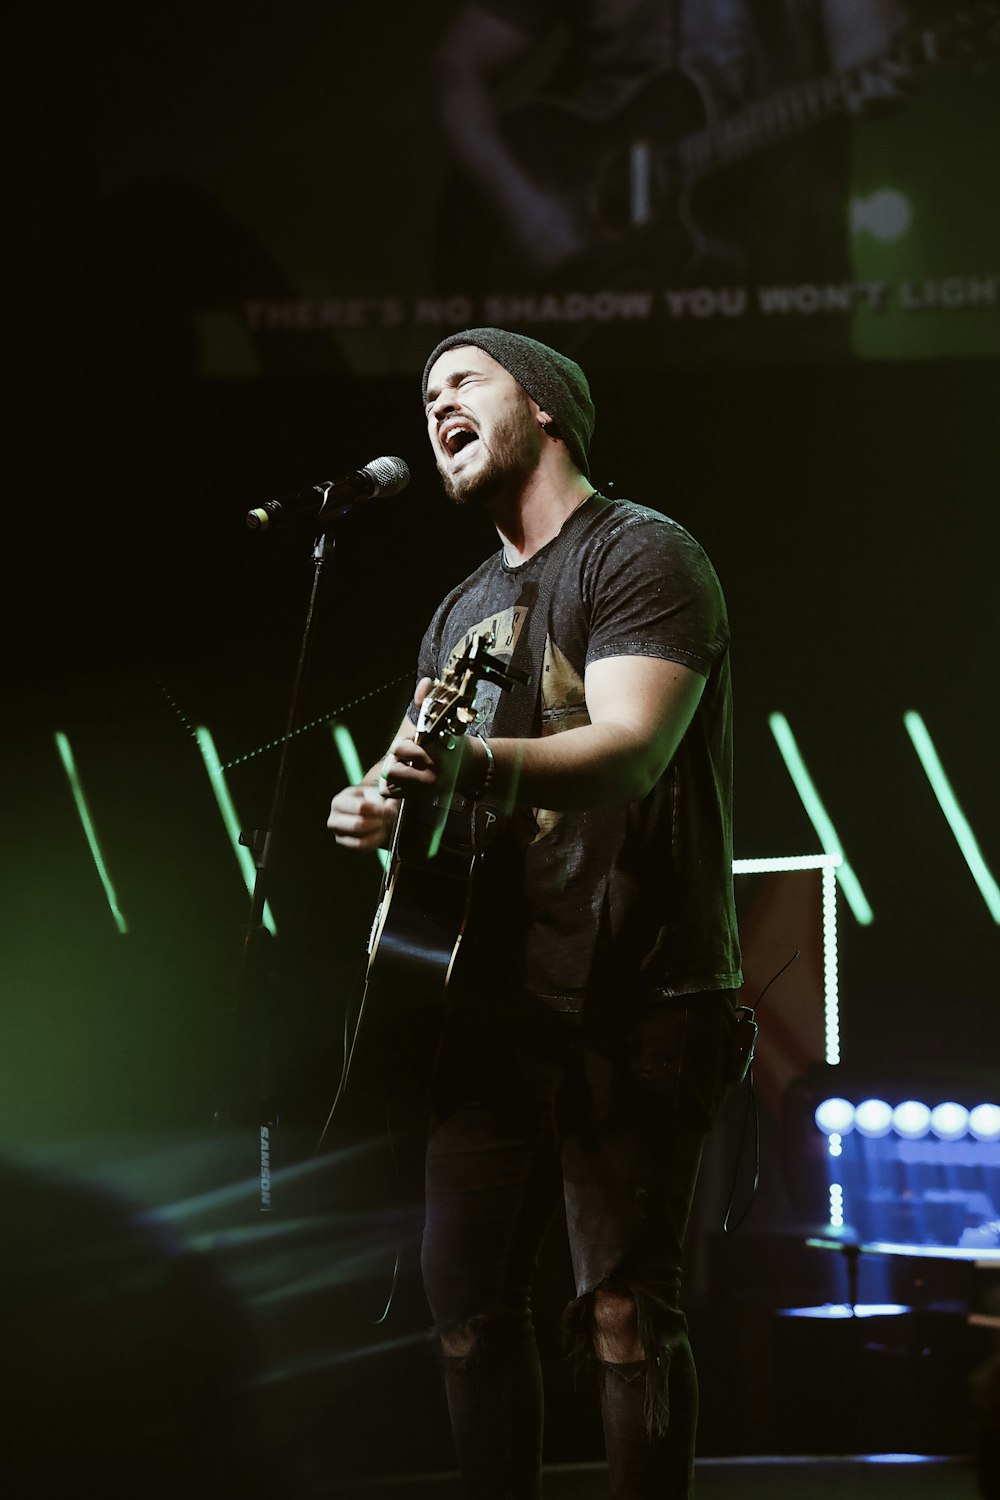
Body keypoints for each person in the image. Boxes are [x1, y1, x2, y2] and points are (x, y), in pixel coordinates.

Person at [327, 327, 743, 1498]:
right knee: (463, 1310)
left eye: (463, 381)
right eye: (424, 395)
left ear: (547, 407)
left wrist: (472, 770)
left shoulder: (641, 554)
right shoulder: (458, 610)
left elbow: (628, 750)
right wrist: (377, 810)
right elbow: (428, 804)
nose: (435, 405)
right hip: (496, 1002)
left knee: (622, 1313)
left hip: (642, 989)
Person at [430, 1, 906, 360]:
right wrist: (526, 209)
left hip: (783, 285)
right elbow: (457, 65)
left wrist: (882, 69)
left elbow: (868, 63)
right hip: (608, 298)